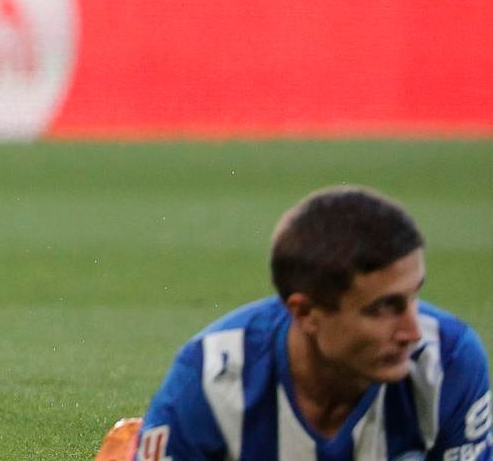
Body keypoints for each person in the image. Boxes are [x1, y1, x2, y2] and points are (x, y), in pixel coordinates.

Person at [132, 187, 488, 461]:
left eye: (413, 298)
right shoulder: (212, 382)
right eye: (384, 308)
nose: (412, 332)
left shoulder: (449, 363)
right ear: (305, 313)